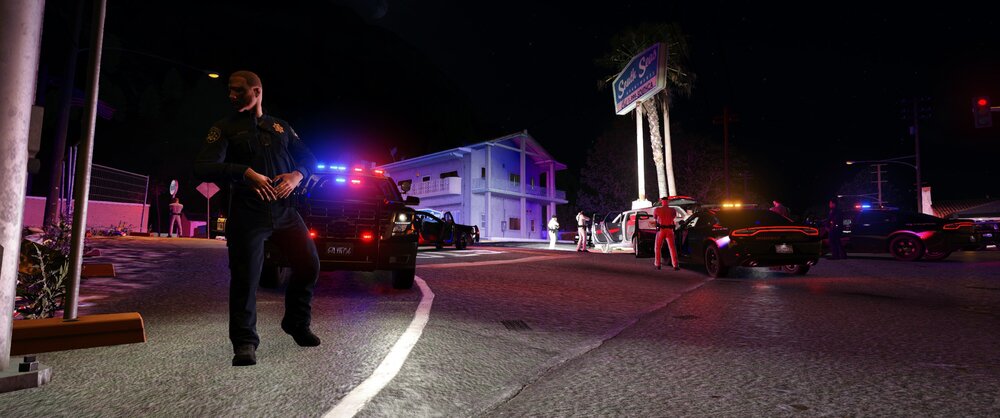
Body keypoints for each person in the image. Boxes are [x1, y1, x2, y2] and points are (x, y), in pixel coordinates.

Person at [194, 70, 321, 366]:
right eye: (230, 90)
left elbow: (310, 159)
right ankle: (244, 342)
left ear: (257, 91)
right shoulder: (224, 128)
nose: (232, 95)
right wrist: (243, 173)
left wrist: (296, 175)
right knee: (245, 278)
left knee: (309, 264)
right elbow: (202, 166)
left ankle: (296, 324)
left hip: (286, 211)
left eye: (238, 90)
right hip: (247, 213)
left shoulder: (280, 127)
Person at [653, 197, 680, 270]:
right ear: (667, 202)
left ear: (662, 201)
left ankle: (658, 264)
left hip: (661, 230)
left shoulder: (657, 209)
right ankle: (675, 265)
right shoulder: (672, 210)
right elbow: (674, 216)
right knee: (672, 248)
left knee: (658, 247)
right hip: (670, 230)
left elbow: (655, 217)